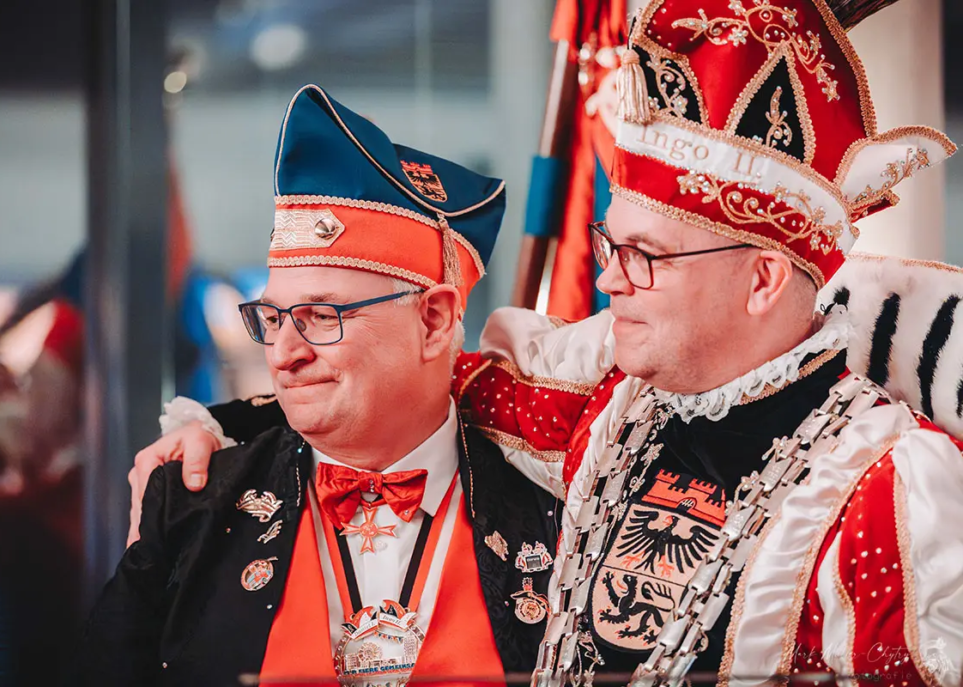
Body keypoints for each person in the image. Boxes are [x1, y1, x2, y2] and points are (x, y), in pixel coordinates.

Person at [128, 1, 963, 685]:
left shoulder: (889, 488)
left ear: (764, 280)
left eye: (645, 257)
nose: (608, 279)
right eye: (608, 245)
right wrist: (215, 426)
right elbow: (396, 380)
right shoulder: (604, 408)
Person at [73, 84, 559, 686]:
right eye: (273, 318)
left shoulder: (553, 505)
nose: (284, 353)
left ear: (433, 321)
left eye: (322, 316)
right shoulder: (192, 503)